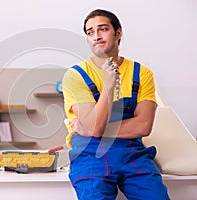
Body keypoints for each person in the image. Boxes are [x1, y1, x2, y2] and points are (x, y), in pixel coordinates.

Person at [62, 9, 170, 200]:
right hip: (90, 155)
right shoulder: (75, 75)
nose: (96, 36)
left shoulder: (141, 73)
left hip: (132, 154)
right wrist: (109, 83)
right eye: (90, 32)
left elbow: (144, 126)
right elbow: (94, 128)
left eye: (102, 29)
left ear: (118, 33)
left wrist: (92, 128)